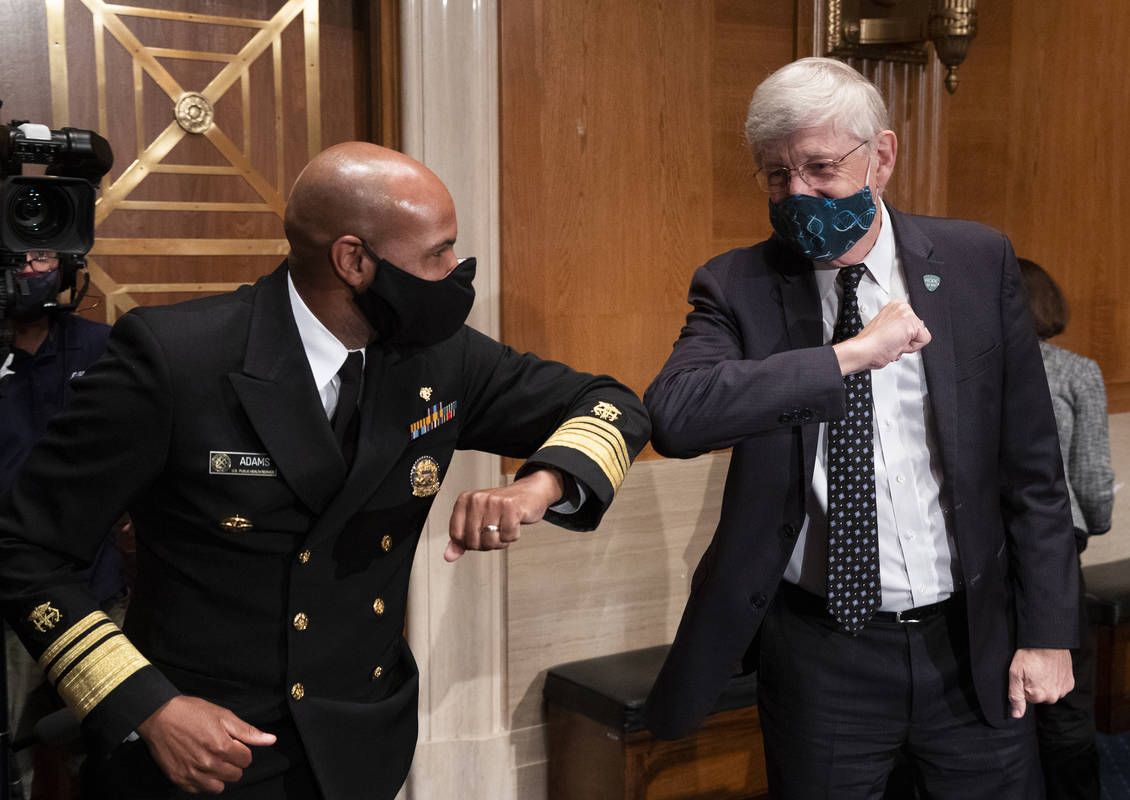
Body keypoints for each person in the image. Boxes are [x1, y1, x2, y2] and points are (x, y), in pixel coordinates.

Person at [0, 142, 650, 799]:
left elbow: (613, 405)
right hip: (205, 754)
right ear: (353, 259)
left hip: (362, 742)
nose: (458, 272)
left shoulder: (441, 359)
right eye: (438, 252)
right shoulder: (177, 359)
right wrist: (145, 706)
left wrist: (542, 483)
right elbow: (23, 548)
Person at [642, 58, 1078, 799]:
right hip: (822, 652)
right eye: (777, 176)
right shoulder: (737, 284)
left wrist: (1047, 632)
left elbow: (1032, 470)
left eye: (819, 168)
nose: (798, 194)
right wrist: (844, 358)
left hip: (969, 639)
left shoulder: (975, 261)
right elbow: (677, 415)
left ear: (882, 155)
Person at [1, 249, 126, 797]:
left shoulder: (104, 348)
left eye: (44, 254)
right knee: (16, 759)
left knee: (108, 750)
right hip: (9, 607)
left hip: (97, 597)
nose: (31, 269)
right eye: (16, 255)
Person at [1019, 257, 1114, 800]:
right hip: (1056, 546)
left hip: (983, 552)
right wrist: (1095, 522)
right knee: (1066, 693)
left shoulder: (966, 366)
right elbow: (1093, 478)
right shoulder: (1076, 371)